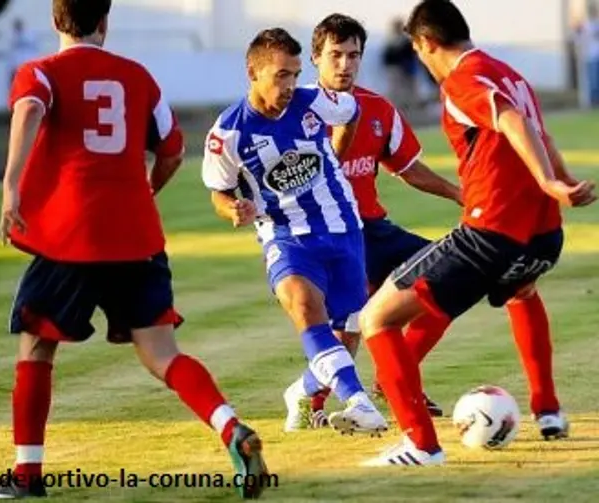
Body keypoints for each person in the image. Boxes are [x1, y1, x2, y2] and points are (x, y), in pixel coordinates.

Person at [0, 0, 268, 499]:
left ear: (55, 21)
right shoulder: (139, 77)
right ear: (105, 21)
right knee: (161, 352)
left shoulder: (41, 71)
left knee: (36, 344)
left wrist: (11, 188)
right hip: (136, 237)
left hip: (70, 237)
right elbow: (174, 149)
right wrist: (146, 190)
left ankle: (27, 476)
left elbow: (29, 107)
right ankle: (230, 428)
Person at [358, 0, 597, 467]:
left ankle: (421, 445)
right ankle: (548, 410)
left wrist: (551, 181)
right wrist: (561, 182)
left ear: (426, 43)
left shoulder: (463, 79)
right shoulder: (509, 72)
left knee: (376, 318)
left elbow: (510, 120)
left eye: (418, 51)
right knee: (521, 293)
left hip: (490, 232)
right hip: (544, 237)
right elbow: (537, 131)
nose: (421, 61)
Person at [201, 27, 387, 436]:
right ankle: (359, 403)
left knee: (348, 329)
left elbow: (351, 112)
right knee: (305, 308)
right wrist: (233, 207)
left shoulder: (313, 101)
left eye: (294, 73)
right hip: (285, 237)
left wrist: (334, 155)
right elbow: (218, 191)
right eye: (280, 75)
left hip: (341, 226)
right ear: (253, 72)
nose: (289, 85)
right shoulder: (227, 133)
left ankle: (303, 393)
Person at [282, 13, 462, 431]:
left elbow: (410, 168)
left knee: (453, 275)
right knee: (350, 331)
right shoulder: (292, 114)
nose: (345, 64)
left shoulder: (378, 108)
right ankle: (309, 392)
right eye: (335, 55)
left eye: (353, 55)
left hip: (373, 230)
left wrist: (458, 193)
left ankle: (394, 379)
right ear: (315, 58)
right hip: (325, 235)